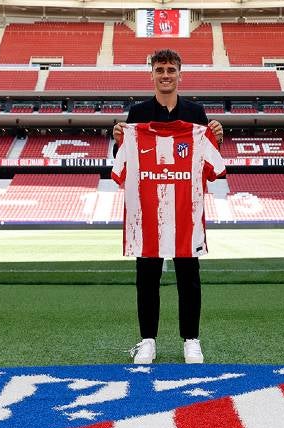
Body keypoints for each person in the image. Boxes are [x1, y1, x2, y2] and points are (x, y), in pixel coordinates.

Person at [112, 48, 224, 365]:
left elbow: (211, 162)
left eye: (170, 69)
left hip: (185, 210)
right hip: (147, 211)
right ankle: (148, 340)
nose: (165, 75)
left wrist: (217, 136)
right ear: (152, 74)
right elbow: (121, 161)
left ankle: (191, 340)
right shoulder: (137, 115)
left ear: (179, 74)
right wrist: (118, 138)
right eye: (159, 69)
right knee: (146, 276)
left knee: (189, 275)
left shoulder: (196, 114)